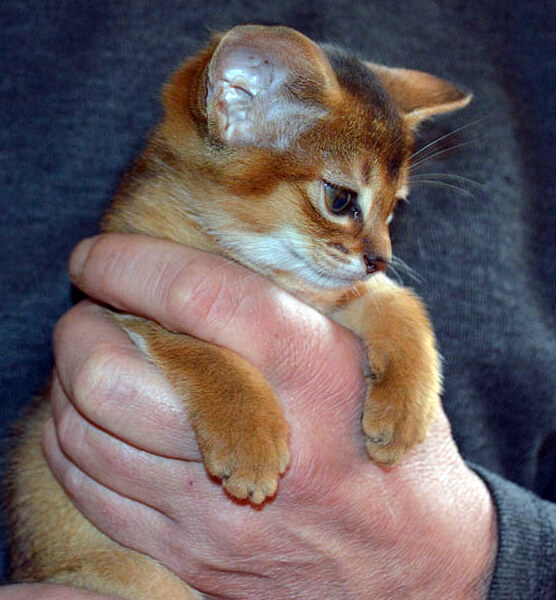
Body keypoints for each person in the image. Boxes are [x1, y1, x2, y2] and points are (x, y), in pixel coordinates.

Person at [1, 1, 554, 598]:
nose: (379, 252)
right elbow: (126, 325)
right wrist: (222, 388)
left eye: (389, 211)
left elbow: (371, 298)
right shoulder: (162, 217)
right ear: (235, 104)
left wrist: (467, 563)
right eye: (342, 200)